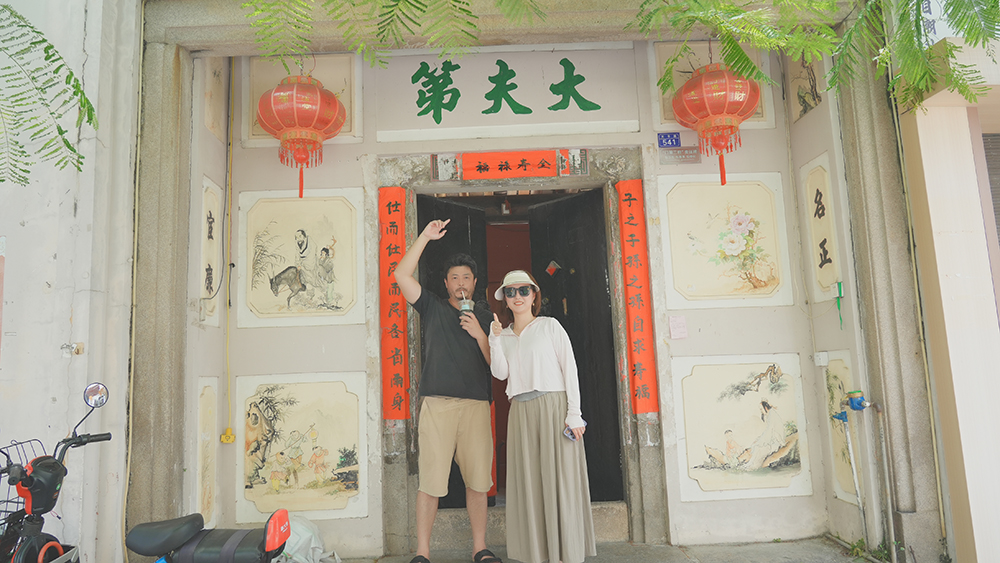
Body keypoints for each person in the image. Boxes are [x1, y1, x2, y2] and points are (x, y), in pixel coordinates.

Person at [393, 218, 501, 563]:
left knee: (478, 481)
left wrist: (480, 334)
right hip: (437, 405)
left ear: (475, 283)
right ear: (446, 283)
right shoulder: (432, 307)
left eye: (466, 277)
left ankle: (479, 548)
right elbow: (401, 275)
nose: (460, 283)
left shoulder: (487, 317)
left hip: (476, 406)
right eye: (454, 278)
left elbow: (498, 367)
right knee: (430, 481)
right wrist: (425, 237)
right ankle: (422, 552)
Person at [488, 269, 596, 563]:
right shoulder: (503, 335)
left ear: (534, 295)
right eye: (510, 292)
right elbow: (500, 373)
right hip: (521, 412)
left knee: (559, 479)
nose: (518, 296)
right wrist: (494, 340)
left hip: (554, 407)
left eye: (524, 290)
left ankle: (566, 553)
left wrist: (574, 413)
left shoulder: (550, 326)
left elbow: (569, 369)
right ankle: (538, 554)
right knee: (530, 482)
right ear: (504, 299)